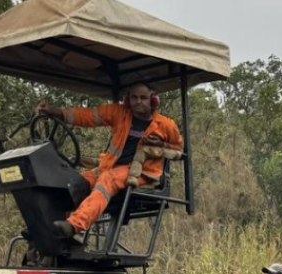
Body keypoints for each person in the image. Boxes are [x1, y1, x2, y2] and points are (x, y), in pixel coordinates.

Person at [36, 82, 184, 239]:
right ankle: (45, 233)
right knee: (74, 183)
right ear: (128, 100)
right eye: (134, 97)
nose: (138, 101)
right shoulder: (120, 113)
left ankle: (74, 225)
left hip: (141, 173)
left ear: (153, 101)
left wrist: (162, 144)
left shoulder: (166, 125)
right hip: (110, 167)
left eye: (143, 98)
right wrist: (55, 112)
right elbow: (88, 116)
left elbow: (179, 148)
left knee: (108, 179)